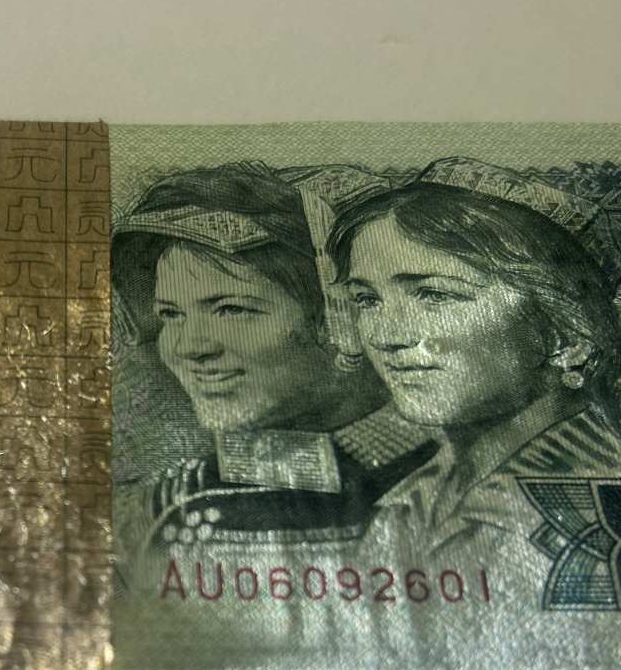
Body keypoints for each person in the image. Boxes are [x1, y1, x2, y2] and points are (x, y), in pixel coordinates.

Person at [325, 157, 621, 568]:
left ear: (567, 336)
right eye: (367, 300)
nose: (386, 336)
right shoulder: (415, 497)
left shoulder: (609, 510)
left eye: (435, 295)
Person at [111, 164, 431, 581]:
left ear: (341, 316)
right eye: (171, 315)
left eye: (231, 310)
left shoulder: (461, 482)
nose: (190, 348)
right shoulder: (162, 512)